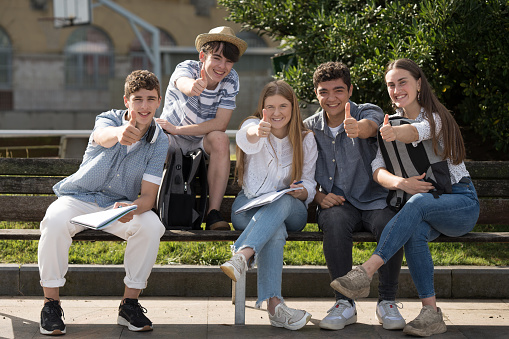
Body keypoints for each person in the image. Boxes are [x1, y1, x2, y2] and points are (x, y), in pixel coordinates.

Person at [330, 58, 480, 337]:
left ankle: (366, 271)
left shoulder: (434, 118)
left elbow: (416, 132)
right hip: (425, 206)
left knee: (418, 203)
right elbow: (378, 171)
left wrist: (392, 133)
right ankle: (430, 312)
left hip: (460, 203)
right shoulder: (391, 120)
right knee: (413, 228)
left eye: (403, 82)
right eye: (391, 84)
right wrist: (402, 183)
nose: (396, 89)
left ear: (419, 84)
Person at [37, 70, 169, 335]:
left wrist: (132, 207)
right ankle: (51, 304)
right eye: (138, 99)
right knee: (53, 220)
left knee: (152, 226)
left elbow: (148, 197)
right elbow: (102, 137)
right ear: (126, 101)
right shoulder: (108, 120)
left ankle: (129, 304)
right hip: (79, 198)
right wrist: (120, 133)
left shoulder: (160, 141)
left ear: (158, 102)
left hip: (118, 206)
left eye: (150, 99)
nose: (144, 106)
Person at [303, 61, 405, 331]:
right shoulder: (308, 128)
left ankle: (387, 302)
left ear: (349, 90)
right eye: (324, 92)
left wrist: (359, 129)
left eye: (338, 90)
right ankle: (344, 304)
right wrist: (317, 197)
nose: (332, 98)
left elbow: (371, 126)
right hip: (337, 203)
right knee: (334, 222)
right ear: (316, 94)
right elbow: (298, 172)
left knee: (390, 223)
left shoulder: (367, 111)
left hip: (375, 200)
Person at [220, 80, 317, 330]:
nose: (276, 113)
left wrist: (302, 191)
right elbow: (247, 136)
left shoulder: (306, 139)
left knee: (282, 199)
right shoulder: (254, 126)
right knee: (274, 229)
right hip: (249, 207)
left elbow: (310, 182)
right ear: (261, 108)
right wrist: (258, 131)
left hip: (292, 209)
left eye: (283, 106)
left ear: (293, 107)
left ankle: (242, 255)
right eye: (270, 106)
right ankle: (276, 308)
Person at [155, 26, 247, 230]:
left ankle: (212, 213)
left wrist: (177, 129)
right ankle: (153, 206)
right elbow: (183, 82)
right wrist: (193, 87)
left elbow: (220, 124)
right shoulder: (186, 67)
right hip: (170, 139)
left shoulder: (232, 80)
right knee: (157, 140)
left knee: (221, 138)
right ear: (202, 56)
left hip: (195, 139)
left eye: (228, 61)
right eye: (217, 58)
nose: (222, 66)